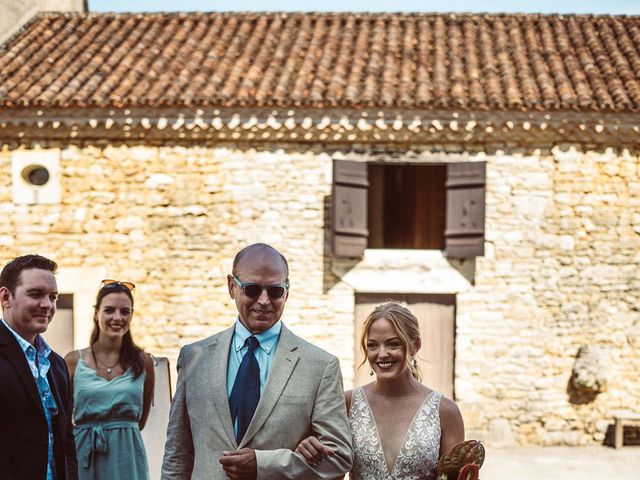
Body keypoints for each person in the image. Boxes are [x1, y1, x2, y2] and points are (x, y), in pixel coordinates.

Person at [161, 243, 352, 480]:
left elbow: (339, 456)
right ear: (232, 287)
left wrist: (264, 464)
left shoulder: (321, 365)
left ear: (287, 292)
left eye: (275, 291)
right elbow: (177, 454)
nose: (264, 300)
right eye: (252, 289)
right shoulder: (194, 358)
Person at [295, 302, 465, 480]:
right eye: (373, 345)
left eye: (393, 344)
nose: (382, 354)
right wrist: (308, 450)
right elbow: (331, 473)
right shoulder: (346, 404)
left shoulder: (445, 411)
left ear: (415, 345)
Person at [64, 279, 155, 480]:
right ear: (96, 313)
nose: (117, 317)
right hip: (85, 455)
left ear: (132, 315)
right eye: (109, 310)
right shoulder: (73, 361)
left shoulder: (144, 362)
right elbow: (62, 421)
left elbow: (140, 420)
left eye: (125, 311)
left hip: (127, 457)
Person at [0, 254, 78, 480]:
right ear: (6, 297)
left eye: (53, 297)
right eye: (35, 294)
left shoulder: (56, 364)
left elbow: (66, 443)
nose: (47, 305)